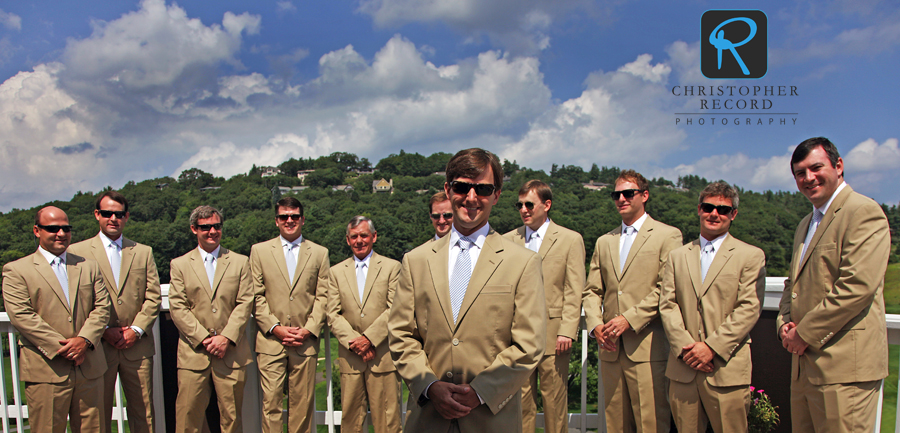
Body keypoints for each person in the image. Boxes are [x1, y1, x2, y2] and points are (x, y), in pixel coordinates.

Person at [389, 148, 547, 432]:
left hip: (491, 419)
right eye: (463, 186)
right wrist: (429, 386)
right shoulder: (416, 260)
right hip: (428, 418)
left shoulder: (522, 263)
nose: (472, 197)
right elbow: (401, 335)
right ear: (448, 190)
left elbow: (529, 344)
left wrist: (481, 392)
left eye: (483, 189)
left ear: (497, 195)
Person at [777, 137, 890, 433]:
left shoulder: (862, 211)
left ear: (838, 166)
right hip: (805, 368)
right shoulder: (806, 223)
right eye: (800, 173)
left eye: (816, 168)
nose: (808, 178)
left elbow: (857, 287)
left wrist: (804, 333)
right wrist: (783, 324)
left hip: (844, 370)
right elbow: (793, 285)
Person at [659, 182, 766, 433]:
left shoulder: (750, 255)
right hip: (683, 369)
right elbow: (668, 304)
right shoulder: (678, 256)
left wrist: (710, 348)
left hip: (726, 368)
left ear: (733, 214)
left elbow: (749, 307)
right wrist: (687, 350)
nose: (714, 214)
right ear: (699, 209)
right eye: (708, 207)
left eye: (723, 209)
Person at [582, 170, 681, 433]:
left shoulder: (668, 235)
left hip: (648, 348)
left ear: (644, 195)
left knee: (652, 424)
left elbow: (666, 289)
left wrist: (630, 319)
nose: (621, 199)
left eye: (628, 193)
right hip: (611, 349)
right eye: (617, 194)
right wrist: (595, 325)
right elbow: (591, 290)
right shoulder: (604, 241)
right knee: (615, 424)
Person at [2, 206, 110, 433]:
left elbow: (102, 307)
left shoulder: (88, 266)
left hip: (89, 366)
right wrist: (66, 348)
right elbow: (21, 315)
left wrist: (84, 340)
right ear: (36, 230)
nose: (61, 233)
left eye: (66, 228)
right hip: (46, 368)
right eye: (53, 228)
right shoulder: (16, 270)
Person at [68, 191, 161, 433]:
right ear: (97, 215)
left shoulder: (143, 252)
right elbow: (77, 299)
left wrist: (136, 330)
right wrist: (104, 331)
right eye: (107, 213)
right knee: (97, 414)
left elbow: (153, 297)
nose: (113, 218)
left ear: (126, 217)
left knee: (144, 413)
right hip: (98, 346)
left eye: (118, 214)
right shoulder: (77, 252)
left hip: (137, 346)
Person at [504, 180, 584, 433]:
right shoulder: (507, 240)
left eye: (530, 204)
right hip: (517, 337)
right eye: (520, 205)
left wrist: (568, 330)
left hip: (555, 335)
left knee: (554, 402)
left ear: (547, 205)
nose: (524, 209)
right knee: (520, 403)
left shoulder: (571, 240)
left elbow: (574, 289)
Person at [168, 206, 253, 433]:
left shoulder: (240, 262)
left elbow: (245, 302)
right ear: (194, 229)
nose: (212, 231)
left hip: (231, 352)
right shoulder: (180, 264)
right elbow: (177, 306)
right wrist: (204, 338)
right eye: (205, 227)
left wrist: (226, 337)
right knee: (187, 417)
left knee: (232, 419)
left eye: (217, 226)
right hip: (193, 353)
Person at [252, 196, 331, 433]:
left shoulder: (319, 253)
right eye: (284, 216)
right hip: (270, 341)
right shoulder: (259, 251)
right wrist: (275, 328)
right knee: (271, 405)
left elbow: (323, 296)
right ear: (276, 221)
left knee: (302, 406)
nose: (290, 220)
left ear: (303, 219)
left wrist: (308, 329)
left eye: (294, 216)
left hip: (304, 342)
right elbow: (255, 296)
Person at [327, 216, 402, 433]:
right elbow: (332, 313)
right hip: (351, 357)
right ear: (348, 240)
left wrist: (369, 340)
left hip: (382, 356)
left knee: (388, 421)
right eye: (354, 237)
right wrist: (356, 343)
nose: (359, 240)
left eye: (364, 235)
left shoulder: (392, 267)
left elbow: (395, 308)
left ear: (374, 237)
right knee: (350, 421)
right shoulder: (336, 272)